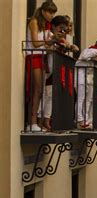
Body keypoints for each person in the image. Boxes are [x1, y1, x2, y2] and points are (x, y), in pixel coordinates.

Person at [25, 0, 58, 132]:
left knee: (40, 91)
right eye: (50, 12)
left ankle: (34, 122)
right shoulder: (34, 22)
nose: (51, 15)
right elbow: (35, 42)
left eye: (53, 13)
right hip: (33, 56)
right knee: (36, 89)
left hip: (41, 57)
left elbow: (44, 45)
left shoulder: (46, 26)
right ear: (43, 11)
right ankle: (31, 122)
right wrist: (48, 41)